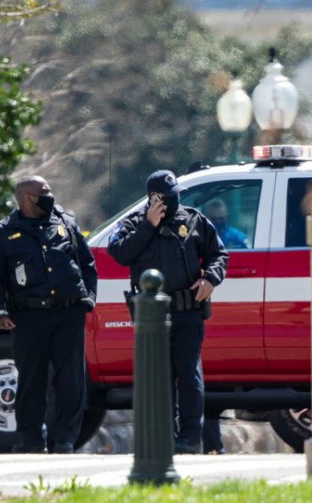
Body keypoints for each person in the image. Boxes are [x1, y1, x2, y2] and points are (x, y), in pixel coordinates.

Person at [108, 169, 228, 454]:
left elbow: (219, 254)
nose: (174, 201)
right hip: (152, 316)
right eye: (167, 197)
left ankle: (190, 437)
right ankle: (164, 437)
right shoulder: (134, 223)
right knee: (159, 377)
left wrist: (210, 278)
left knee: (188, 374)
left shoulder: (194, 219)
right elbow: (119, 253)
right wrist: (148, 226)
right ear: (153, 198)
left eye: (176, 196)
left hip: (188, 311)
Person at [0, 176, 98, 454]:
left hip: (68, 313)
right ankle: (31, 439)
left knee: (71, 380)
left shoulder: (66, 224)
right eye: (43, 192)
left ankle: (65, 439)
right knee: (31, 380)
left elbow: (87, 264)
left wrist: (88, 298)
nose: (49, 195)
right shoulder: (2, 233)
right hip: (28, 316)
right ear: (26, 198)